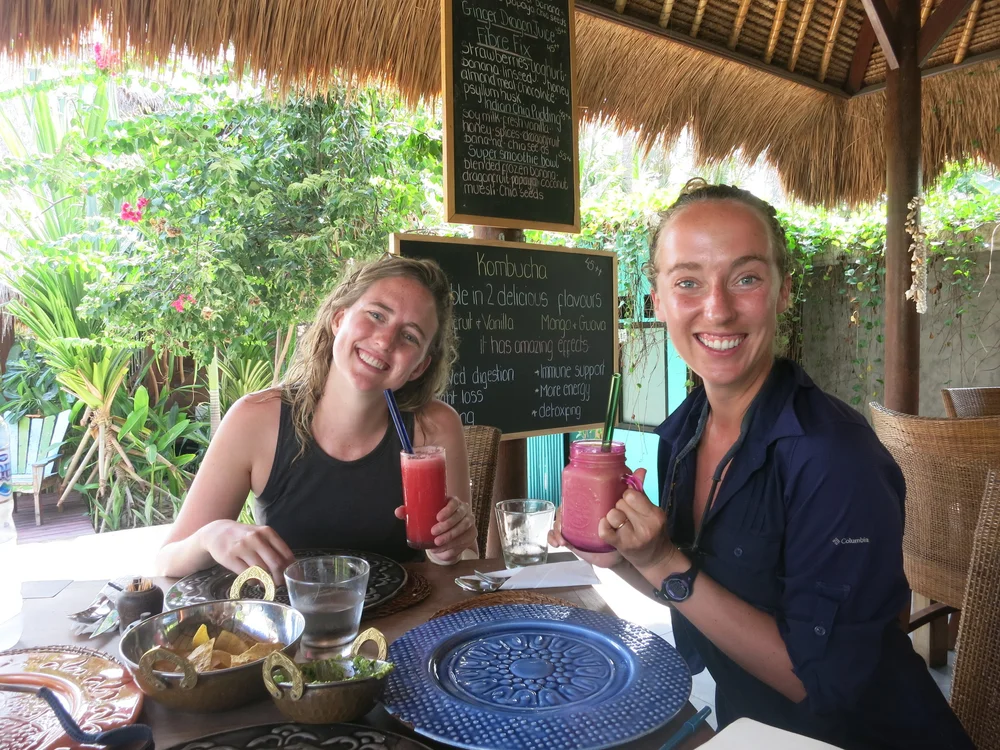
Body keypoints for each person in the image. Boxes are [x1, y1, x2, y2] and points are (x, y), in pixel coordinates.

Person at [550, 180, 973, 749]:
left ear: (783, 291)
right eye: (688, 282)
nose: (718, 309)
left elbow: (820, 682)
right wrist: (626, 559)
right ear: (658, 301)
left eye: (745, 278)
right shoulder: (685, 430)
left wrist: (663, 561)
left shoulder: (834, 457)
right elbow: (701, 602)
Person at [156, 254, 478, 580]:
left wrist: (450, 549)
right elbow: (167, 562)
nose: (385, 341)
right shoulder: (255, 420)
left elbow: (464, 561)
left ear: (419, 367)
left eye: (410, 336)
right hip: (289, 613)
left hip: (411, 611)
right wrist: (210, 536)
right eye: (376, 315)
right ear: (339, 319)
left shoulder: (434, 428)